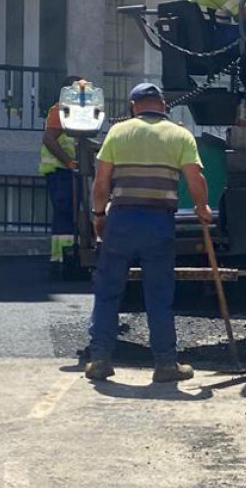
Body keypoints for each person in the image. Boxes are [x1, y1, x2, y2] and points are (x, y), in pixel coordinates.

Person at [84, 83, 212, 383]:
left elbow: (101, 183)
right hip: (158, 221)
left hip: (122, 219)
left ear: (133, 105)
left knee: (107, 291)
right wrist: (202, 207)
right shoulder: (179, 135)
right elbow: (196, 177)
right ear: (163, 105)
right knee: (158, 294)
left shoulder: (118, 133)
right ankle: (166, 364)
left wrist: (98, 215)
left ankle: (100, 359)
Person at [39, 75, 84, 277]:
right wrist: (68, 161)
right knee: (65, 214)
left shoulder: (74, 111)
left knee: (68, 214)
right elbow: (49, 138)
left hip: (68, 171)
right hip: (61, 171)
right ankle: (63, 259)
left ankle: (63, 257)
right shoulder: (60, 109)